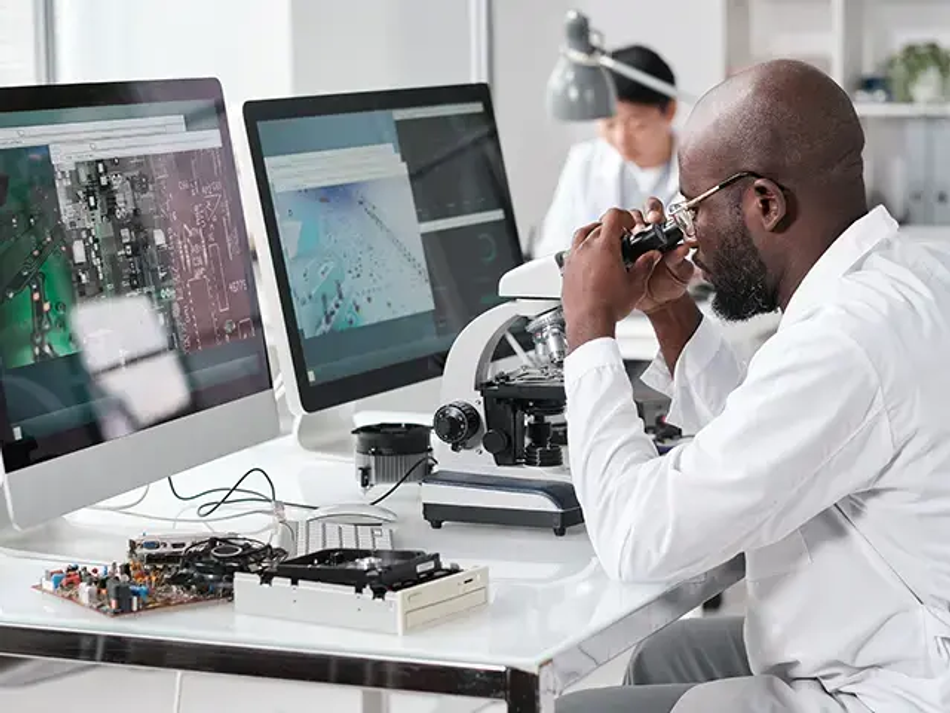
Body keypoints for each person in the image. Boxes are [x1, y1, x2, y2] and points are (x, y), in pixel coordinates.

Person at [556, 59, 950, 713]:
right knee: (661, 655)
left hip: (898, 685)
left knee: (576, 708)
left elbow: (636, 537)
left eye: (693, 206)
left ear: (766, 202)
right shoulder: (904, 277)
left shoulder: (845, 341)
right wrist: (669, 310)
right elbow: (771, 438)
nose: (686, 231)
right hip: (886, 620)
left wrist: (587, 324)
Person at [533, 45, 680, 258]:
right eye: (610, 125)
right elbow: (552, 249)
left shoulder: (702, 166)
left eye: (637, 125)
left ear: (670, 111)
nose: (622, 140)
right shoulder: (584, 162)